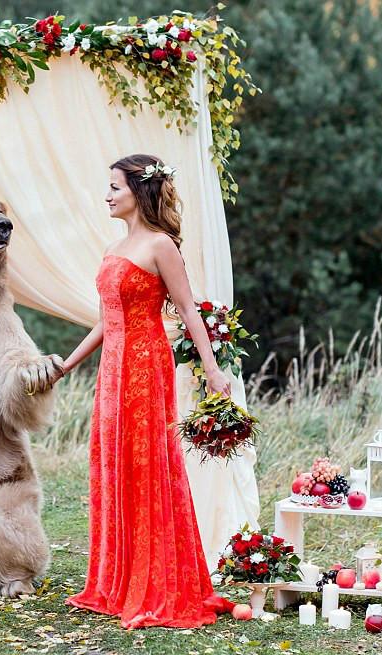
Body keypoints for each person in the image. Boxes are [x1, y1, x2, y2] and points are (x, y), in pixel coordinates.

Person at [61, 154, 231, 629]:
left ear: (139, 191)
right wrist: (66, 365)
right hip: (113, 369)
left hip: (146, 363)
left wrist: (212, 370)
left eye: (114, 186)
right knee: (115, 462)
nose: (107, 195)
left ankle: (155, 584)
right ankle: (117, 579)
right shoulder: (115, 248)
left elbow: (188, 311)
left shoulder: (161, 246)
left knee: (148, 463)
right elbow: (104, 321)